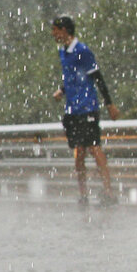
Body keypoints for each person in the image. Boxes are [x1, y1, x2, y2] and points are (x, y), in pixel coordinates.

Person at [50, 16, 120, 206]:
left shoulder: (82, 51)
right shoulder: (63, 52)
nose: (53, 33)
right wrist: (62, 91)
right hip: (72, 109)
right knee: (79, 151)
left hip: (87, 107)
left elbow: (97, 77)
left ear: (64, 30)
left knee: (94, 147)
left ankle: (108, 191)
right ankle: (83, 194)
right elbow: (72, 77)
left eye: (55, 30)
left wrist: (109, 104)